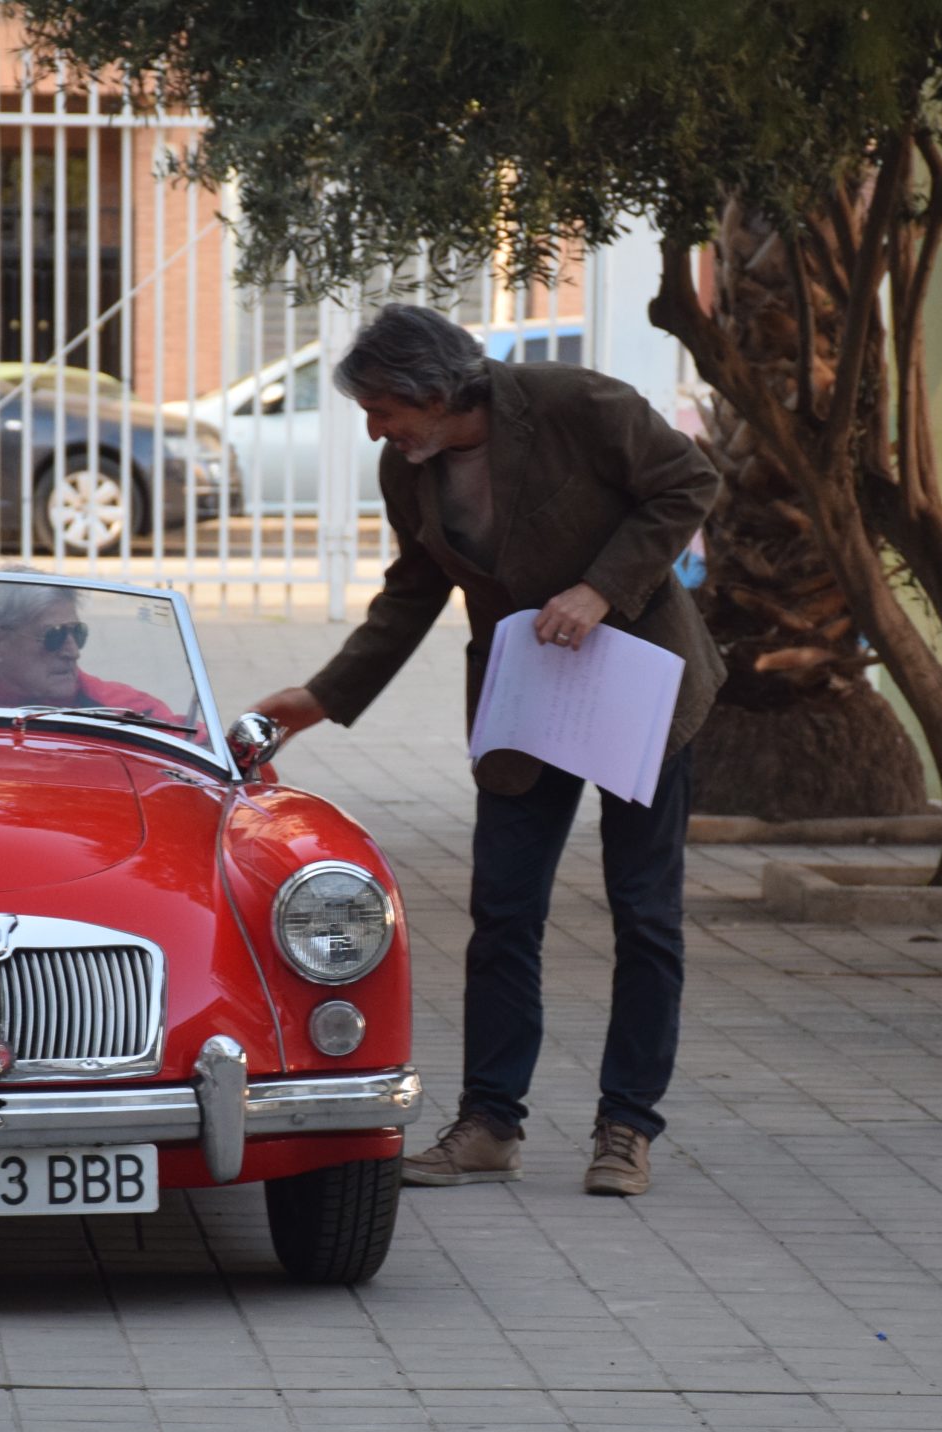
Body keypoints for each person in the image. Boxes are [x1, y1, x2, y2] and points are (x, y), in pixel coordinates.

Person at [250, 306, 722, 1198]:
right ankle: (489, 1123)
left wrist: (600, 588)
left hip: (637, 683)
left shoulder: (575, 402)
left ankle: (626, 1128)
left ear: (433, 391)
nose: (375, 428)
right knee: (503, 910)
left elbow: (688, 482)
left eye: (384, 408)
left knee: (644, 913)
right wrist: (320, 698)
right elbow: (413, 590)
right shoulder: (410, 467)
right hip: (524, 698)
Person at [0, 576, 186, 724]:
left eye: (78, 633)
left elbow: (190, 740)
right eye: (55, 636)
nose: (73, 652)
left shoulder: (122, 710)